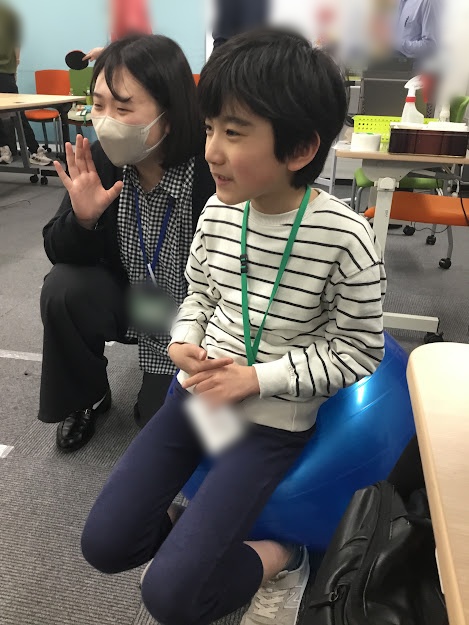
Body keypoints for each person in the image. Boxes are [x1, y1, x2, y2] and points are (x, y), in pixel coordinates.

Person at [81, 27, 387, 625]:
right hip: (197, 400)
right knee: (105, 545)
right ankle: (193, 533)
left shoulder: (345, 237)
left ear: (300, 149)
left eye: (234, 133)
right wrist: (184, 339)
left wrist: (258, 379)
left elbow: (358, 350)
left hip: (269, 424)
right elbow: (199, 294)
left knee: (171, 598)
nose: (212, 151)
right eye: (210, 128)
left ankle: (284, 557)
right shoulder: (219, 210)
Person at [39, 34, 214, 452]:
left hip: (196, 316)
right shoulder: (102, 160)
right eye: (98, 105)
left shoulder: (210, 168)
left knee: (161, 428)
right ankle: (88, 396)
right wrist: (83, 220)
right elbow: (57, 249)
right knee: (63, 288)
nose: (106, 121)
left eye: (123, 108)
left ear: (169, 113)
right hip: (130, 299)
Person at [0, 2, 53, 166]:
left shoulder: (8, 13)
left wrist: (15, 66)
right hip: (7, 71)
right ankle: (5, 149)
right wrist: (15, 66)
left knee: (17, 113)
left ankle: (33, 150)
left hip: (5, 71)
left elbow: (16, 42)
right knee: (14, 113)